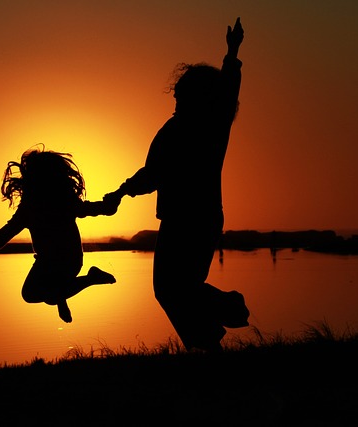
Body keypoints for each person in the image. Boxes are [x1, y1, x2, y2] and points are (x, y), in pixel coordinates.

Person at [105, 18, 249, 351]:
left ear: (200, 97)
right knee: (175, 289)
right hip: (189, 219)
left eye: (182, 94)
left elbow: (228, 90)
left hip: (193, 219)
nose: (176, 99)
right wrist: (123, 190)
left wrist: (232, 52)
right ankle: (207, 342)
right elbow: (151, 174)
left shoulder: (209, 126)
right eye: (177, 93)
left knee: (174, 289)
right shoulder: (176, 130)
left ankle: (225, 312)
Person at [0, 147, 120, 323]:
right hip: (49, 261)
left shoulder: (46, 203)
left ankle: (90, 279)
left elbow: (6, 232)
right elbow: (6, 233)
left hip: (66, 261)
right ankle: (64, 297)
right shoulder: (46, 204)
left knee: (37, 294)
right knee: (39, 294)